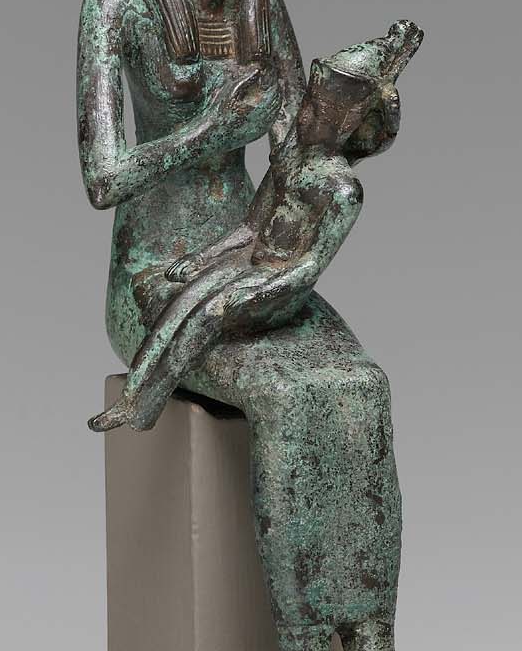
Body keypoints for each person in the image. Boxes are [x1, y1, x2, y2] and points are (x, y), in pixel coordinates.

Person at [77, 0, 455, 651]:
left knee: (360, 388)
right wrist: (208, 134)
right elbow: (104, 177)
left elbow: (295, 143)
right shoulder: (118, 4)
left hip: (254, 257)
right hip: (160, 276)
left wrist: (355, 125)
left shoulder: (260, 7)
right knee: (292, 400)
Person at [88, 21, 424, 435]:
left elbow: (309, 266)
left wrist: (258, 290)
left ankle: (144, 406)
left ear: (349, 127)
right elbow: (251, 226)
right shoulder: (291, 159)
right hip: (251, 260)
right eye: (308, 104)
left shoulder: (341, 190)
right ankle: (133, 399)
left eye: (320, 113)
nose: (304, 116)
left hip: (281, 282)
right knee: (183, 301)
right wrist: (204, 258)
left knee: (207, 314)